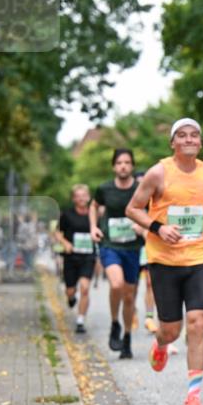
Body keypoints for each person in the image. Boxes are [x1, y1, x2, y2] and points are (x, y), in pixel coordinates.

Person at [125, 118, 203, 405]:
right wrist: (158, 227)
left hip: (199, 256)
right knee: (171, 329)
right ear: (173, 143)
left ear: (199, 142)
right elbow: (132, 209)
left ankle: (193, 397)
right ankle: (161, 343)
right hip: (164, 259)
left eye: (194, 135)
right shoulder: (158, 173)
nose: (189, 140)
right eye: (182, 136)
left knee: (198, 321)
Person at [90, 149, 145, 359]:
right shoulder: (105, 188)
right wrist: (93, 227)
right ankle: (114, 324)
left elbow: (151, 210)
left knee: (129, 297)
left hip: (132, 247)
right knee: (116, 284)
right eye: (119, 163)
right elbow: (94, 206)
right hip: (110, 244)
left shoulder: (140, 188)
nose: (123, 166)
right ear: (114, 166)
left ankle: (127, 337)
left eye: (127, 162)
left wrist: (143, 227)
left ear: (132, 166)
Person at [56, 185, 95, 333]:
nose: (81, 198)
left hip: (88, 256)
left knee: (85, 288)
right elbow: (57, 233)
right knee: (70, 291)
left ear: (89, 197)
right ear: (73, 199)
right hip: (71, 257)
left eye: (84, 195)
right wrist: (65, 243)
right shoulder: (67, 215)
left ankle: (80, 321)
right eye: (78, 196)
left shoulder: (93, 214)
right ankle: (71, 298)